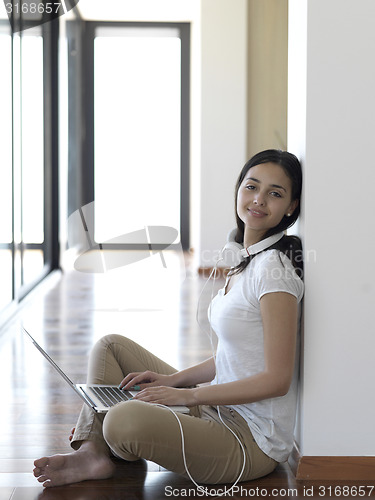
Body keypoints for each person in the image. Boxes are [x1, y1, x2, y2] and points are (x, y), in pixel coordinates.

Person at [33, 149, 304, 488]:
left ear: (291, 206)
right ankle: (94, 452)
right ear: (238, 189)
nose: (259, 200)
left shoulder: (274, 275)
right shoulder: (245, 260)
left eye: (275, 193)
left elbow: (277, 380)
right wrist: (170, 380)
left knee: (121, 420)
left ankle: (106, 437)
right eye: (252, 187)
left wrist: (188, 395)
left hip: (247, 441)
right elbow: (232, 357)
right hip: (214, 408)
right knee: (111, 347)